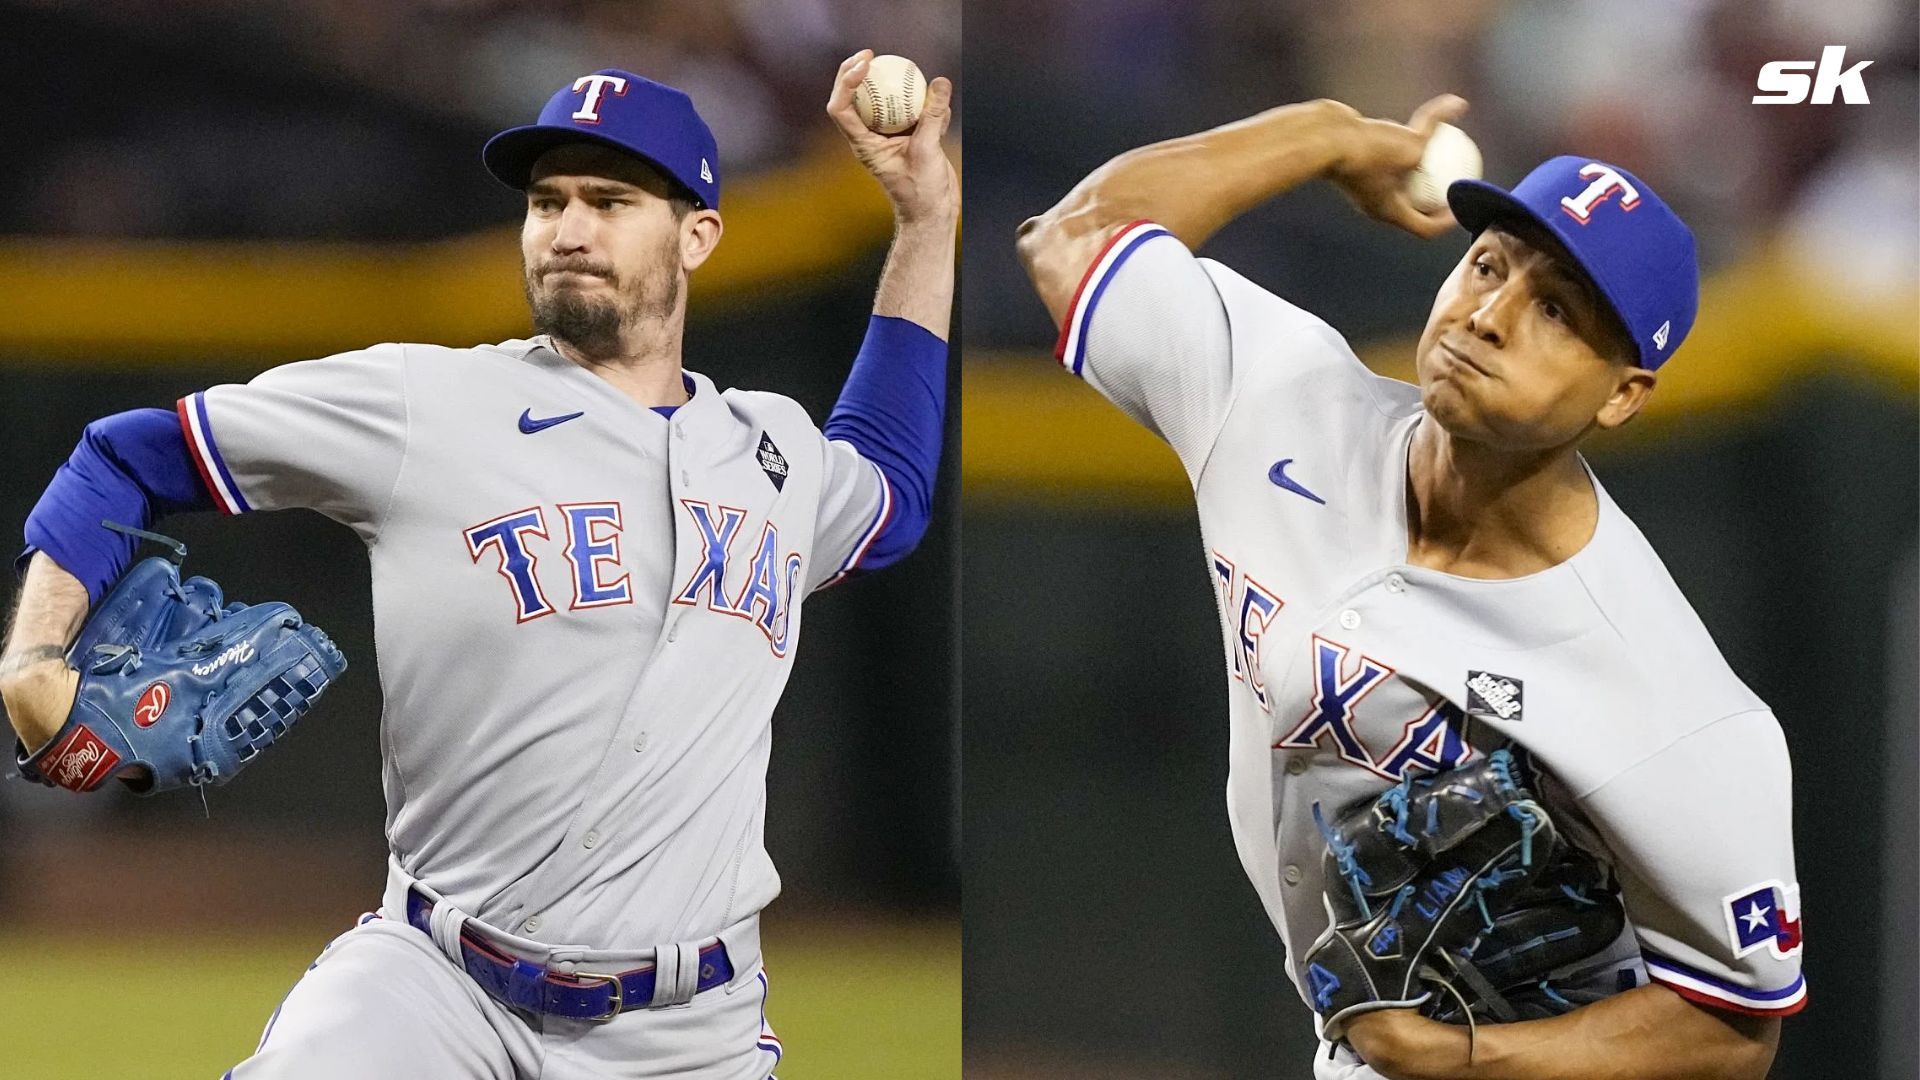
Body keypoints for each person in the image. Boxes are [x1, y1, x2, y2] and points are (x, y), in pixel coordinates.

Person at [0, 50, 955, 1080]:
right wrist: (34, 653)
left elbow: (891, 493)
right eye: (548, 202)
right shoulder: (423, 403)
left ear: (698, 235)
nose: (569, 229)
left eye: (611, 200)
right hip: (432, 988)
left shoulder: (772, 454)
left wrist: (925, 223)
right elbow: (125, 457)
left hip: (687, 1032)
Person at [1016, 94, 1801, 1080]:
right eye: (1488, 265)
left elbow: (1734, 1030)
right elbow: (1075, 237)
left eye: (1555, 308)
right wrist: (1326, 135)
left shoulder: (1671, 697)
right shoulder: (1280, 396)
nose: (1488, 317)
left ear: (1622, 393)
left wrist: (1467, 1059)